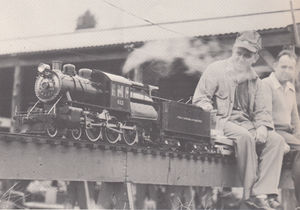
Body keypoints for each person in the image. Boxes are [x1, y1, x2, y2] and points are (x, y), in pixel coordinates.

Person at [192, 30, 286, 210]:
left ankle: (263, 192)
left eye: (247, 55)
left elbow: (262, 112)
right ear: (233, 50)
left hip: (246, 124)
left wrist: (263, 127)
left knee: (277, 140)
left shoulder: (257, 82)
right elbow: (200, 98)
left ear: (255, 58)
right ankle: (249, 193)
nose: (241, 58)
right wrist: (206, 107)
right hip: (220, 121)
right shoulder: (216, 69)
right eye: (239, 52)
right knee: (245, 137)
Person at [263, 49, 300, 209]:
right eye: (283, 67)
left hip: (288, 135)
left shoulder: (290, 88)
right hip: (270, 131)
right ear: (275, 65)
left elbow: (295, 118)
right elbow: (263, 116)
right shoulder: (266, 85)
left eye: (290, 68)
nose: (287, 71)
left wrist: (298, 136)